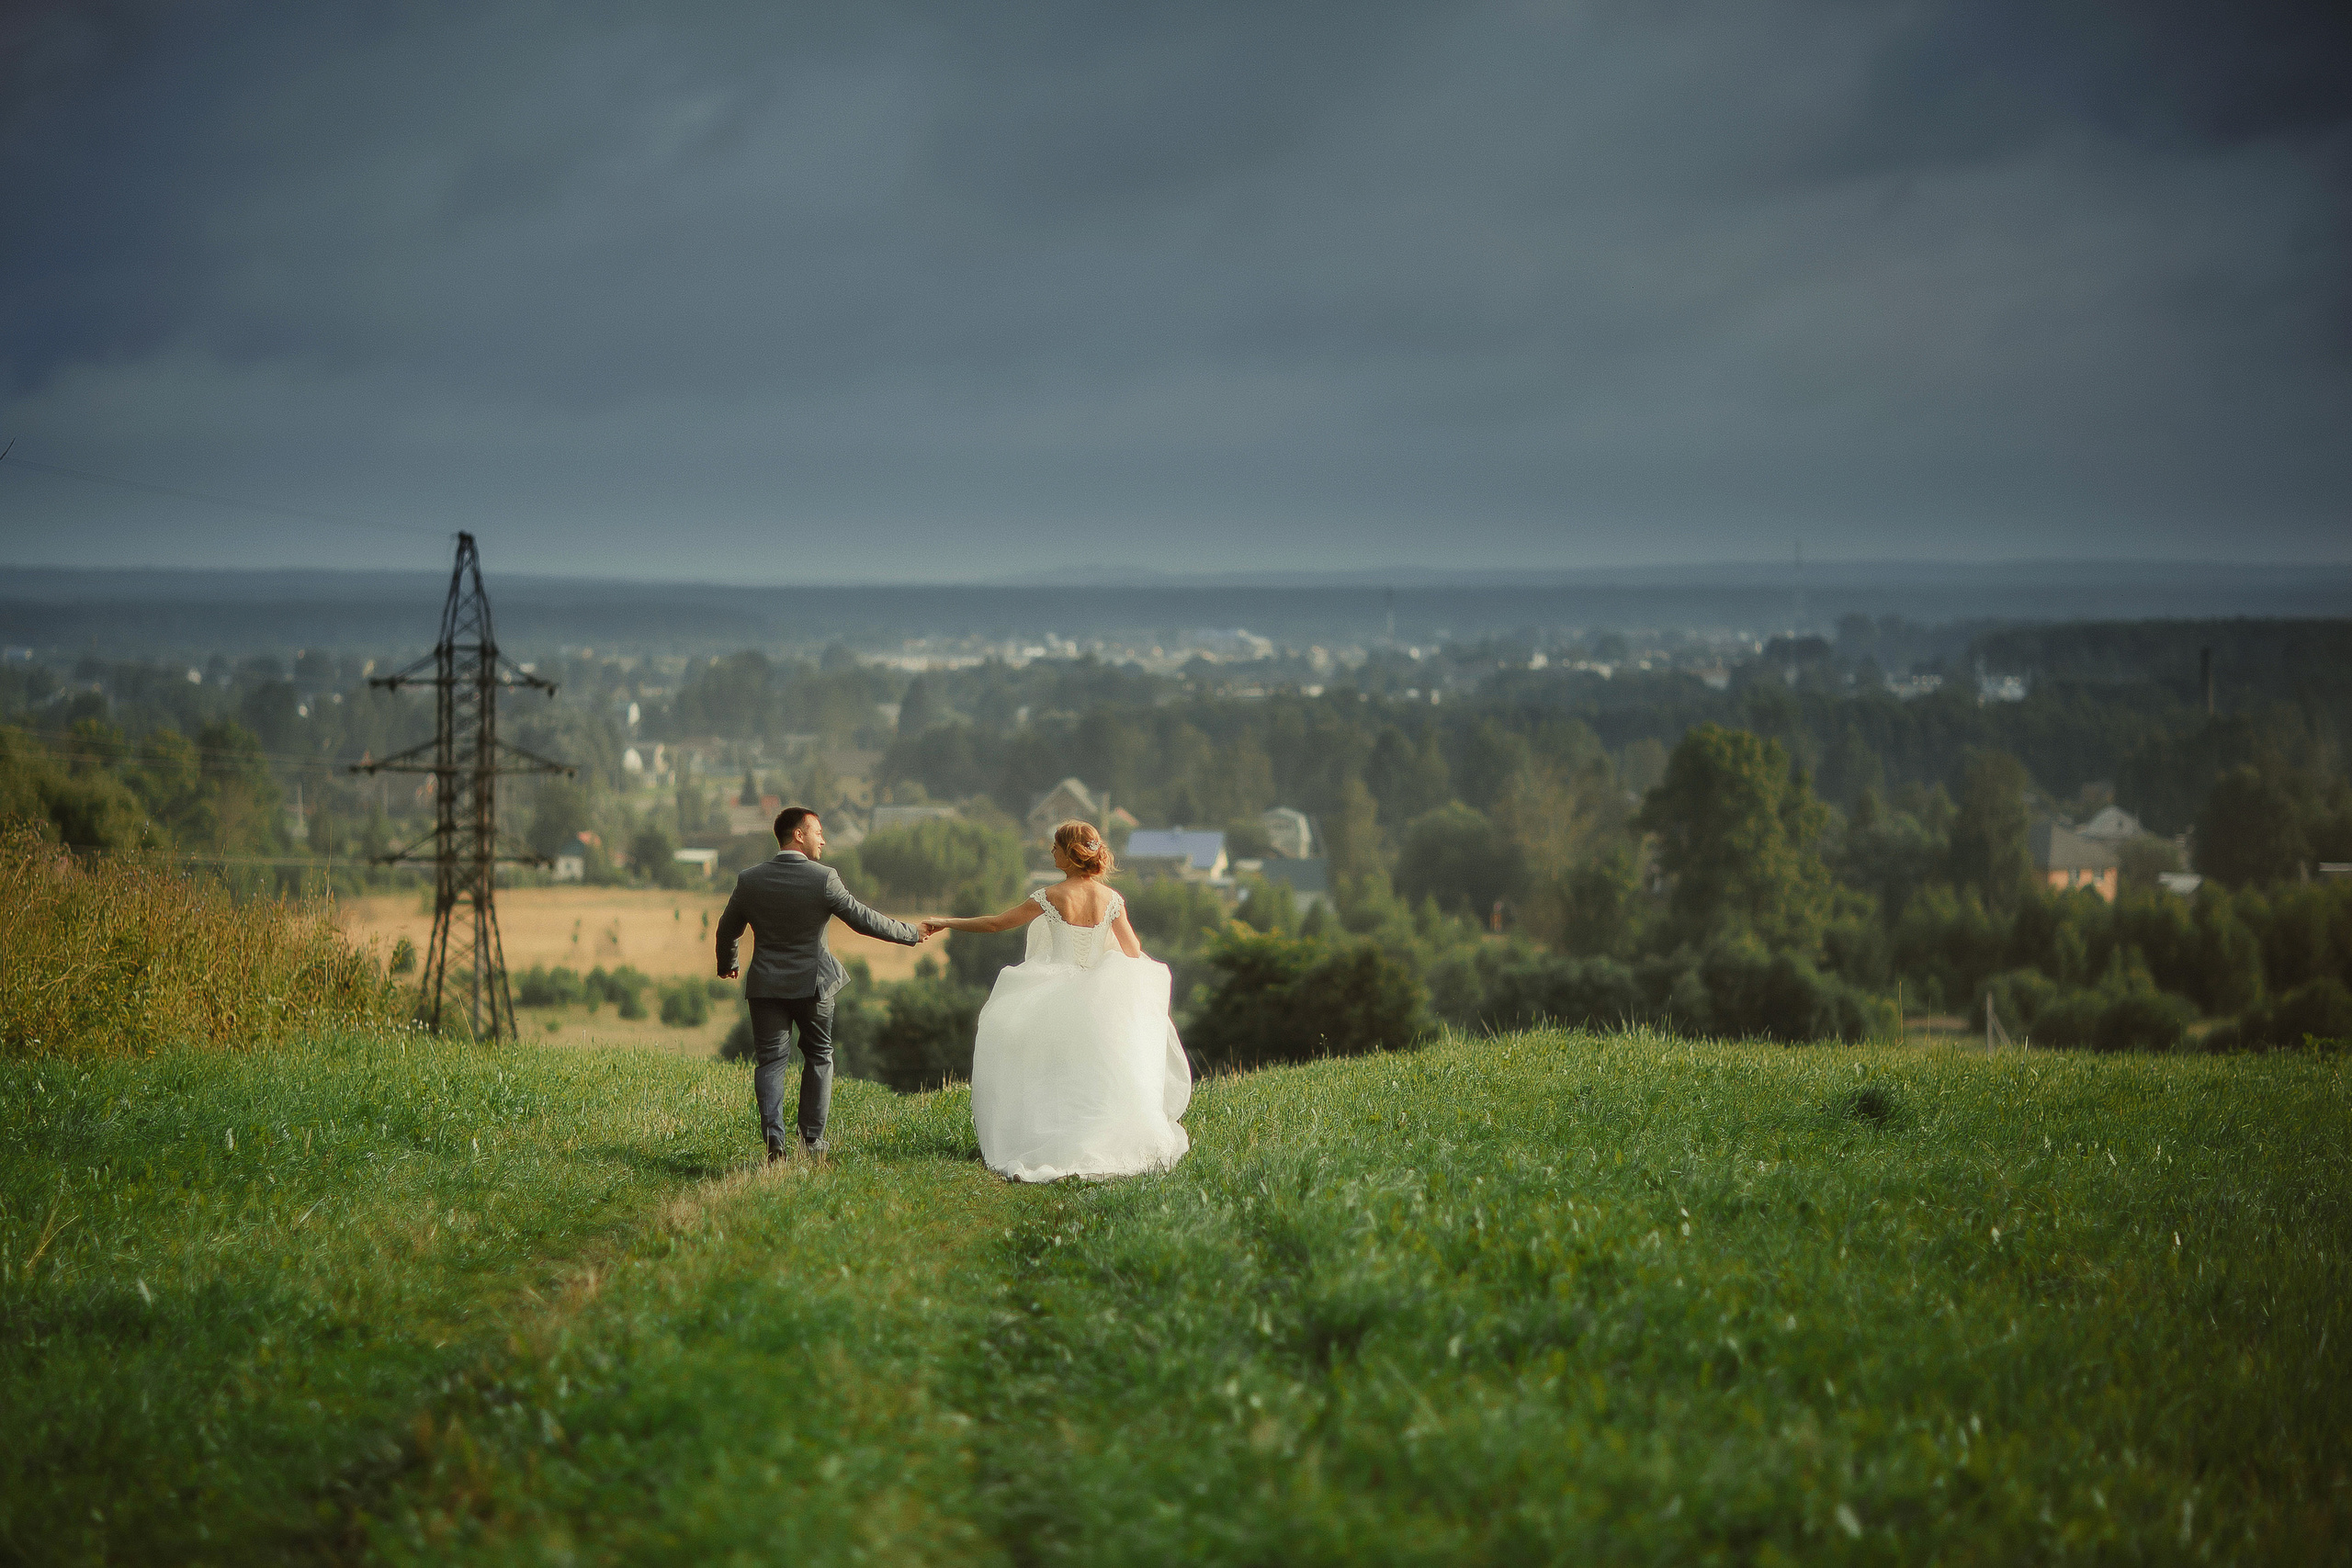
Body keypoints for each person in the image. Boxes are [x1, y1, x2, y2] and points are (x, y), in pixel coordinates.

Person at [920, 820, 1191, 1181]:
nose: (1051, 852)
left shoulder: (1052, 896)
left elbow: (996, 924)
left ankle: (1044, 1139)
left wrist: (946, 921)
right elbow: (1133, 950)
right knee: (1094, 1074)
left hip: (1055, 991)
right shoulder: (1111, 899)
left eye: (1056, 847)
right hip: (1097, 999)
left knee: (1040, 1062)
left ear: (1069, 854)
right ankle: (1095, 1141)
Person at [717, 805, 926, 1162]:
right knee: (819, 1056)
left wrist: (729, 963)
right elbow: (863, 919)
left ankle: (775, 1142)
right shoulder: (824, 878)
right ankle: (811, 1143)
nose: (823, 840)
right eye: (817, 832)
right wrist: (911, 933)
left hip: (766, 987)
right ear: (798, 834)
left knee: (770, 1063)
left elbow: (727, 928)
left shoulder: (749, 879)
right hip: (813, 987)